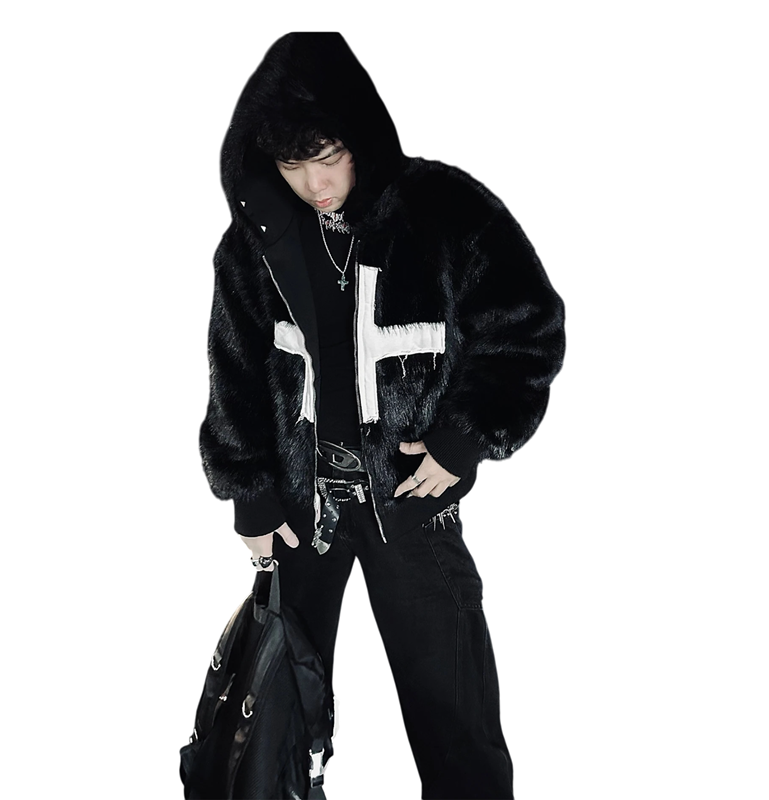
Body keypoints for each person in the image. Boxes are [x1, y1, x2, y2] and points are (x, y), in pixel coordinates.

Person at [199, 32, 565, 799]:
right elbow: (234, 367)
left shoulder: (443, 209)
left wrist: (464, 438)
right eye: (292, 164)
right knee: (273, 713)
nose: (315, 182)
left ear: (359, 136)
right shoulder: (254, 244)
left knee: (454, 712)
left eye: (328, 156)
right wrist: (250, 492)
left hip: (410, 497)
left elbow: (526, 324)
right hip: (301, 507)